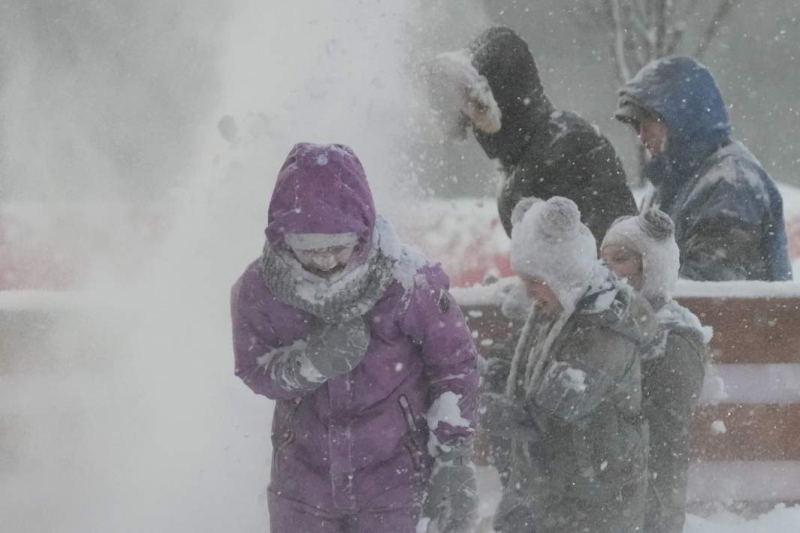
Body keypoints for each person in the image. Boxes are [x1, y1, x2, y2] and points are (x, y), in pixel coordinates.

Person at [230, 143, 480, 533]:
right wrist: (310, 363)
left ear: (363, 233)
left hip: (394, 480)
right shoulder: (261, 289)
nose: (326, 261)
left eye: (339, 247)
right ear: (283, 240)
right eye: (308, 249)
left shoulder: (407, 282)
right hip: (303, 486)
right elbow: (253, 367)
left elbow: (454, 364)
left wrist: (454, 456)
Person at [480, 196, 654, 533]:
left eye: (534, 282)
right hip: (553, 491)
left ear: (562, 274)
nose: (528, 293)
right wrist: (490, 373)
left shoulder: (603, 334)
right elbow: (517, 357)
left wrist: (474, 406)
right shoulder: (561, 307)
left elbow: (544, 416)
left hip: (593, 503)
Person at [424, 26, 637, 242]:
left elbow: (617, 254)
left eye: (477, 115)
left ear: (502, 101)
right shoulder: (520, 160)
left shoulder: (569, 145)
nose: (475, 129)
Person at [616, 56, 792, 281]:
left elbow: (712, 291)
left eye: (645, 122)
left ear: (677, 117)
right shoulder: (671, 181)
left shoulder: (731, 183)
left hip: (736, 317)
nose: (641, 136)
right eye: (635, 126)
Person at [601, 208, 710, 533]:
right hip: (612, 493)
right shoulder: (615, 322)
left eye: (620, 259)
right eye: (603, 260)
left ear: (651, 265)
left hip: (647, 504)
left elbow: (665, 444)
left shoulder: (671, 339)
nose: (607, 270)